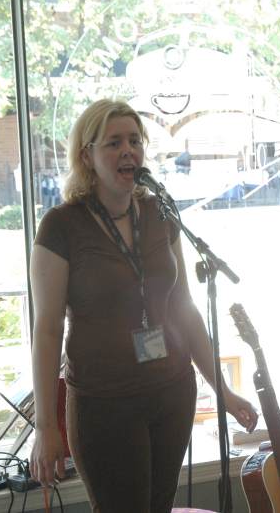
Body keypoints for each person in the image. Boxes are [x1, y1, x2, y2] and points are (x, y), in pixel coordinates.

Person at [29, 99, 258, 512]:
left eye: (135, 140)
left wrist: (222, 391)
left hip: (171, 392)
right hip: (104, 404)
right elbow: (46, 330)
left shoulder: (160, 212)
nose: (128, 150)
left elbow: (183, 308)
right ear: (87, 155)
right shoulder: (61, 226)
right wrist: (45, 426)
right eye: (114, 142)